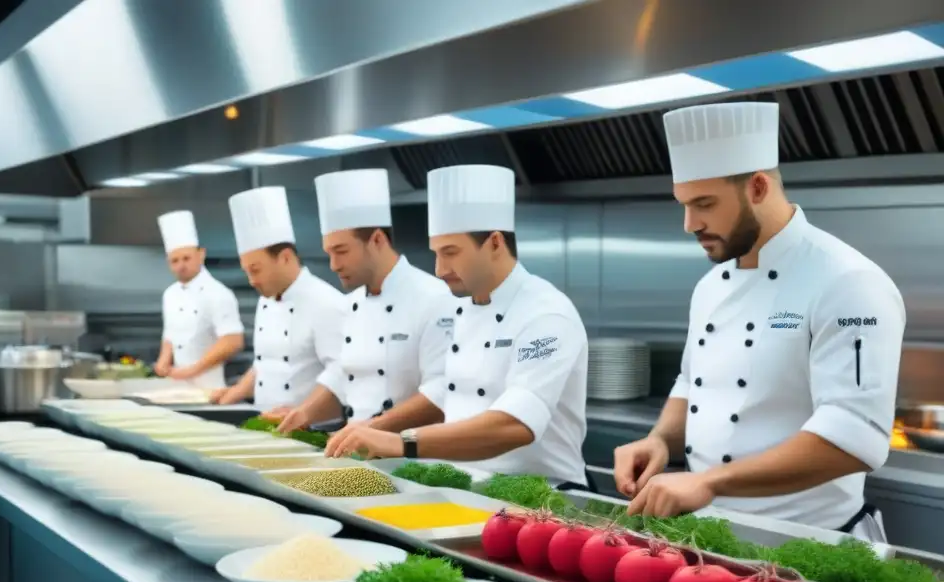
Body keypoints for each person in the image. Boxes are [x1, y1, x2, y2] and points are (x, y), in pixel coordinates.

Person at [613, 101, 905, 542]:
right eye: (683, 204)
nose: (689, 223)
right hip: (712, 541)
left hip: (810, 545)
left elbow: (854, 438)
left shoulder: (849, 281)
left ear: (757, 187)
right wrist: (659, 440)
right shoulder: (710, 286)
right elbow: (692, 385)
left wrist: (710, 482)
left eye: (704, 203)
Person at [326, 164, 591, 490]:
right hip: (462, 486)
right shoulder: (457, 309)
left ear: (495, 243)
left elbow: (515, 425)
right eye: (436, 253)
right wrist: (372, 428)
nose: (439, 269)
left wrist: (403, 441)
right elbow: (444, 392)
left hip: (539, 499)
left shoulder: (546, 314)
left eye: (451, 253)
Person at [277, 168, 453, 434]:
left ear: (377, 240)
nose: (334, 265)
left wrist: (372, 428)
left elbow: (441, 390)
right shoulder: (350, 305)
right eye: (329, 253)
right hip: (357, 451)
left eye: (342, 251)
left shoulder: (434, 299)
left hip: (413, 459)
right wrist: (303, 414)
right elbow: (341, 375)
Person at [211, 187, 346, 413]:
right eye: (247, 272)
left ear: (284, 258)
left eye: (255, 270)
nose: (251, 281)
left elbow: (341, 372)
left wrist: (301, 413)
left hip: (311, 432)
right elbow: (265, 364)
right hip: (266, 424)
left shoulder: (326, 302)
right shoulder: (267, 299)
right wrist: (234, 392)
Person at [153, 210, 245, 389]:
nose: (181, 266)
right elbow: (170, 334)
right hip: (177, 386)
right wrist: (163, 361)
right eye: (175, 261)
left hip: (209, 388)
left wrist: (193, 370)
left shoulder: (218, 293)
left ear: (201, 254)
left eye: (186, 258)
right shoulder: (170, 294)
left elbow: (233, 341)